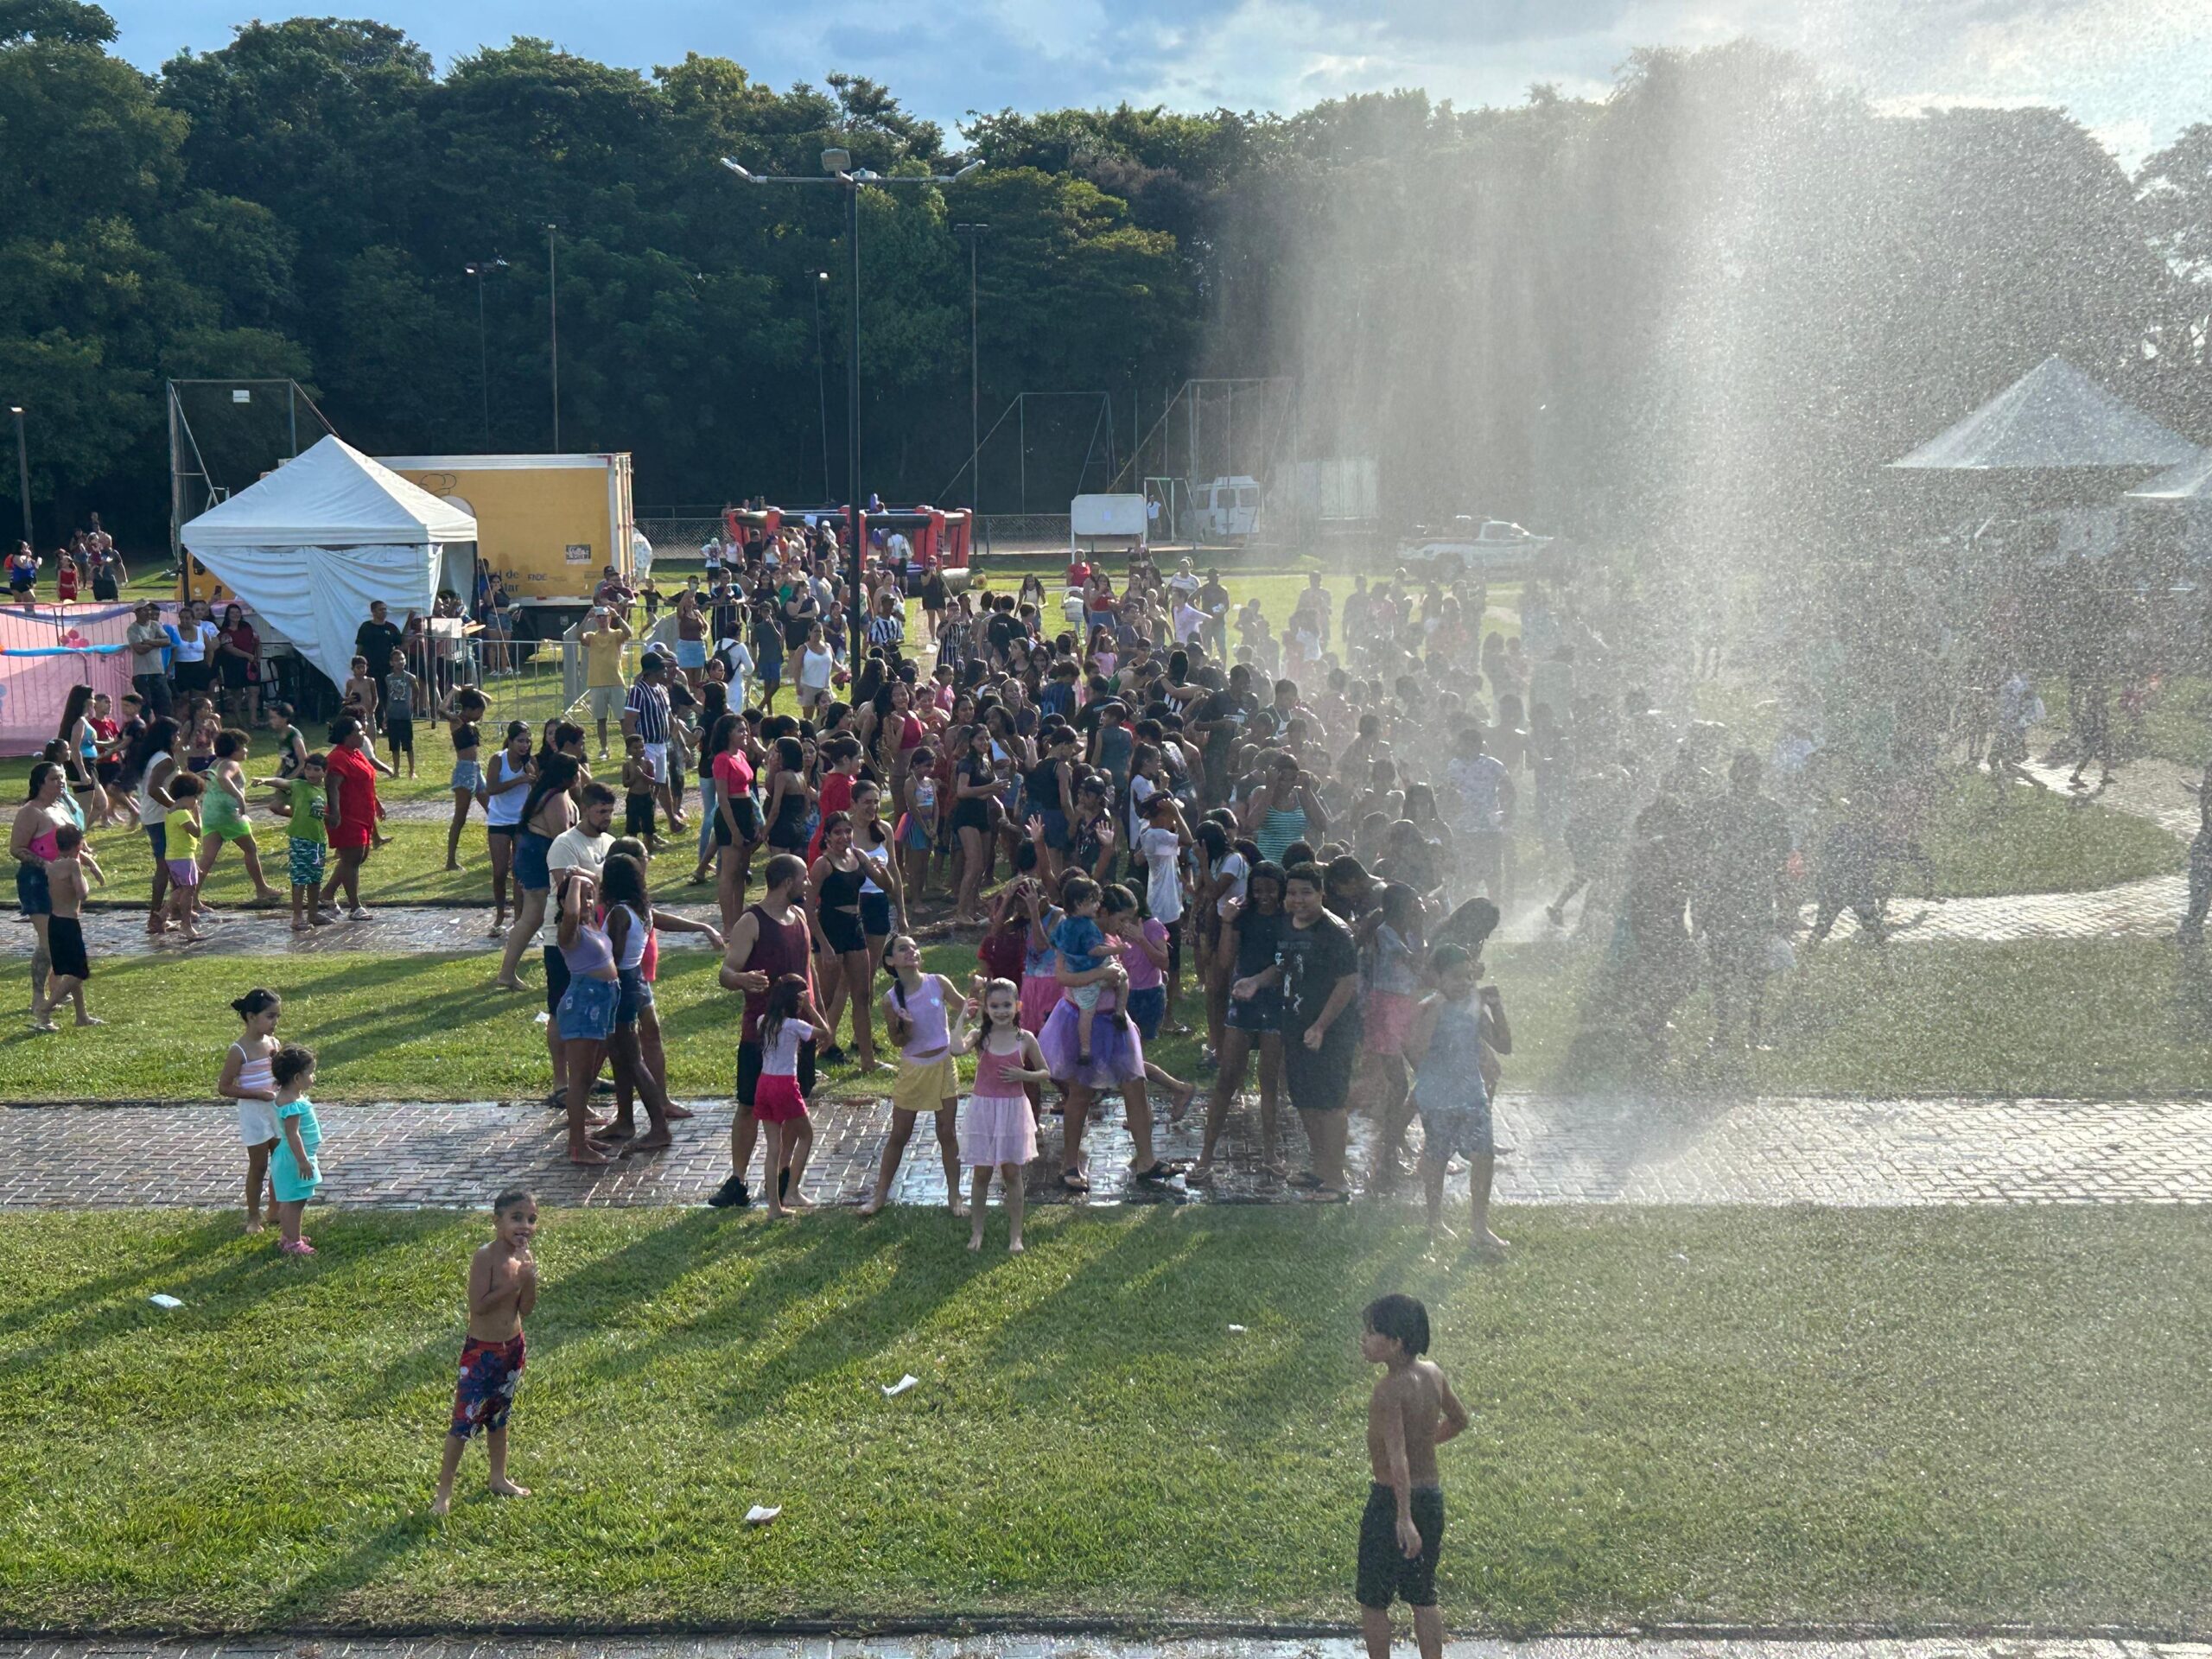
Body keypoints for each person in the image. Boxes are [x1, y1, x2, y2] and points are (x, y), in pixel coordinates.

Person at [1357, 1294, 1467, 1659]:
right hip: (1431, 1499)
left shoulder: (1388, 1390)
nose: (1364, 1339)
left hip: (1392, 1501)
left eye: (1372, 1333)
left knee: (1374, 1599)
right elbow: (1459, 1420)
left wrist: (1403, 1517)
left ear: (1396, 1343)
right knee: (1422, 1595)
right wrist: (1427, 1440)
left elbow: (1397, 1458)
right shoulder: (1434, 1374)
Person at [709, 854, 816, 1211]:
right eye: (803, 878)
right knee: (748, 1106)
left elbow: (806, 973)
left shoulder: (799, 917)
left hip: (796, 1037)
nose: (808, 884)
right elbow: (726, 972)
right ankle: (738, 1180)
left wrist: (819, 1018)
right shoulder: (751, 921)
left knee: (793, 1109)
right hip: (761, 1036)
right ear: (787, 882)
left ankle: (784, 1181)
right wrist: (742, 979)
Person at [432, 1187, 538, 1515]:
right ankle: (443, 1493)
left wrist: (529, 1279)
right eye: (516, 1218)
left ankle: (498, 1477)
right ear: (497, 1221)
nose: (525, 1225)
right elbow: (478, 1306)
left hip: (512, 1349)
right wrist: (514, 1281)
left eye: (532, 1219)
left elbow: (527, 1310)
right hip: (483, 1352)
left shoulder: (524, 1259)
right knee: (463, 1423)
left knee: (498, 1415)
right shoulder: (486, 1257)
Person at [1405, 943, 1510, 1249]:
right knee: (1437, 1158)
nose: (1463, 983)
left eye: (1468, 977)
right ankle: (1434, 1221)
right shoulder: (1430, 1007)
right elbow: (1415, 1049)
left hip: (1472, 1094)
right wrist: (1434, 1013)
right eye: (1454, 977)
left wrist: (1497, 1007)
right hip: (1438, 1098)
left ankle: (1480, 1228)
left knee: (1484, 1156)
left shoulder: (1475, 1006)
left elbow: (1504, 1046)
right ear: (1437, 978)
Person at [1191, 861, 1287, 1185]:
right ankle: (1206, 1155)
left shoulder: (1289, 920)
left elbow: (1285, 966)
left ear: (1281, 889)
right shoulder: (1242, 917)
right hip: (1243, 1003)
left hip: (1274, 1003)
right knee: (1227, 1078)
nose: (1264, 896)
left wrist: (1258, 982)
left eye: (1270, 889)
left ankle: (1270, 1153)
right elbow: (1224, 961)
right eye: (1258, 890)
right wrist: (1228, 921)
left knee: (1269, 1082)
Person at [858, 934, 968, 1217]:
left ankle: (955, 1197)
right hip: (914, 1071)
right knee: (900, 1134)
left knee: (947, 1133)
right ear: (891, 961)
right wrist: (904, 1027)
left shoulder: (938, 982)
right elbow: (897, 1042)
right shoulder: (890, 999)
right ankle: (879, 1195)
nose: (911, 952)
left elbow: (963, 1007)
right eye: (903, 949)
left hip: (944, 1066)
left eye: (915, 948)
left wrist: (978, 995)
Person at [955, 976, 1047, 1252]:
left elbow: (1046, 1073)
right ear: (986, 1007)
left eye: (1007, 1005)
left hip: (1013, 1110)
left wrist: (1023, 1074)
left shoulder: (1025, 1038)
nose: (1001, 1010)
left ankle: (1016, 1236)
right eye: (995, 1006)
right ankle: (977, 1232)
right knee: (981, 1173)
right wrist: (961, 1018)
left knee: (1012, 1173)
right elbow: (954, 1049)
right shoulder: (980, 1037)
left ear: (1017, 1006)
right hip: (984, 1109)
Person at [753, 972, 829, 1218]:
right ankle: (792, 1191)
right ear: (795, 1001)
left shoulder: (762, 1020)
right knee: (806, 1135)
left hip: (763, 1083)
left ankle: (774, 1207)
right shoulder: (795, 1025)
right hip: (785, 1084)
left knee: (773, 1147)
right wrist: (810, 1007)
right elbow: (826, 1033)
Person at [12, 762, 75, 1014]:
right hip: (36, 881)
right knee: (49, 941)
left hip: (64, 883)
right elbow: (16, 848)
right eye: (54, 779)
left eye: (62, 778)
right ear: (40, 783)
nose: (60, 782)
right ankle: (38, 998)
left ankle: (55, 989)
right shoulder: (31, 811)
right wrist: (47, 865)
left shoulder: (61, 808)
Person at [218, 988, 283, 1230]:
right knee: (259, 1166)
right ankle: (253, 1217)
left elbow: (279, 1075)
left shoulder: (273, 1043)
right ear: (251, 1016)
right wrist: (256, 1094)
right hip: (254, 1115)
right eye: (270, 1016)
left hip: (275, 1110)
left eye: (277, 1017)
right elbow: (224, 1087)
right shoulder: (239, 1050)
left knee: (280, 1161)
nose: (275, 1022)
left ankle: (275, 1209)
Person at [195, 729, 282, 904]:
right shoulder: (230, 764)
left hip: (211, 814)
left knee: (207, 858)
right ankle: (262, 889)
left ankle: (191, 897)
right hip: (229, 815)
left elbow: (202, 777)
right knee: (250, 849)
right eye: (243, 747)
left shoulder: (214, 763)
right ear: (233, 750)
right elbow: (222, 778)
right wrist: (239, 797)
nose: (246, 751)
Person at [1052, 874, 1127, 1067]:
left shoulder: (1063, 924)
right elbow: (1094, 950)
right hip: (1094, 969)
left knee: (1087, 1012)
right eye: (1093, 901)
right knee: (1122, 977)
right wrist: (1117, 950)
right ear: (1079, 903)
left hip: (1078, 973)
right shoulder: (1088, 927)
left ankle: (1085, 1050)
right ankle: (1119, 1011)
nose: (1097, 905)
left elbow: (1054, 942)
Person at [320, 717, 387, 921]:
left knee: (358, 857)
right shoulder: (338, 758)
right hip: (347, 816)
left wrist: (377, 803)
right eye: (359, 731)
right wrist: (336, 813)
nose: (363, 733)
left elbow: (366, 780)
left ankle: (327, 894)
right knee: (352, 859)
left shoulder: (357, 754)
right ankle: (355, 906)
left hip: (363, 814)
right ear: (347, 735)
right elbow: (332, 786)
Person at [29, 824, 93, 1031]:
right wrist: (86, 876)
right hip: (68, 924)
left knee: (71, 970)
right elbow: (82, 894)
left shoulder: (52, 866)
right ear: (78, 844)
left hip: (54, 922)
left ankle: (81, 1016)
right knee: (78, 972)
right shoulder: (73, 865)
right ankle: (45, 1009)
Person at [263, 750, 330, 930]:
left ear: (324, 772)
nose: (312, 774)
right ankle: (297, 917)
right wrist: (265, 781)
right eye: (308, 769)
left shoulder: (324, 791)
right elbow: (282, 782)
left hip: (318, 840)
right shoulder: (300, 785)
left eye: (316, 770)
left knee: (315, 879)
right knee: (299, 878)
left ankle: (313, 913)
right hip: (300, 839)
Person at [269, 1043, 323, 1255]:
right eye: (310, 1073)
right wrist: (302, 1160)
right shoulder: (292, 1103)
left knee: (291, 1199)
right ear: (297, 1078)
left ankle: (290, 1236)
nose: (314, 1077)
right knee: (296, 1201)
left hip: (291, 1157)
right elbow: (293, 1134)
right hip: (295, 1159)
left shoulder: (288, 1097)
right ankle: (293, 1243)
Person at [580, 605, 633, 759]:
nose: (602, 620)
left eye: (605, 617)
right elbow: (579, 636)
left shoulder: (616, 634)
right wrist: (586, 618)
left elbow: (628, 633)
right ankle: (604, 749)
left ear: (609, 618)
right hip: (596, 683)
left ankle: (629, 748)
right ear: (596, 619)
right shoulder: (592, 636)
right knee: (601, 719)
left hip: (616, 682)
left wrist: (618, 616)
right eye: (599, 617)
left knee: (623, 719)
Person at [162, 773, 208, 941]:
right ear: (189, 796)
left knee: (181, 889)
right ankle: (186, 926)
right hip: (182, 856)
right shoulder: (182, 813)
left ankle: (162, 914)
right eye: (196, 798)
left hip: (177, 856)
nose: (196, 802)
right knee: (189, 891)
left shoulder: (171, 811)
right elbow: (196, 832)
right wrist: (199, 815)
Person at [126, 601, 173, 718]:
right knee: (145, 708)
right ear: (136, 612)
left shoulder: (155, 625)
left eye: (149, 609)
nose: (148, 612)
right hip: (142, 674)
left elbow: (167, 641)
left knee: (164, 705)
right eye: (144, 610)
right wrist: (158, 643)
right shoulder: (133, 629)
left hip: (158, 672)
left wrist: (149, 641)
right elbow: (140, 649)